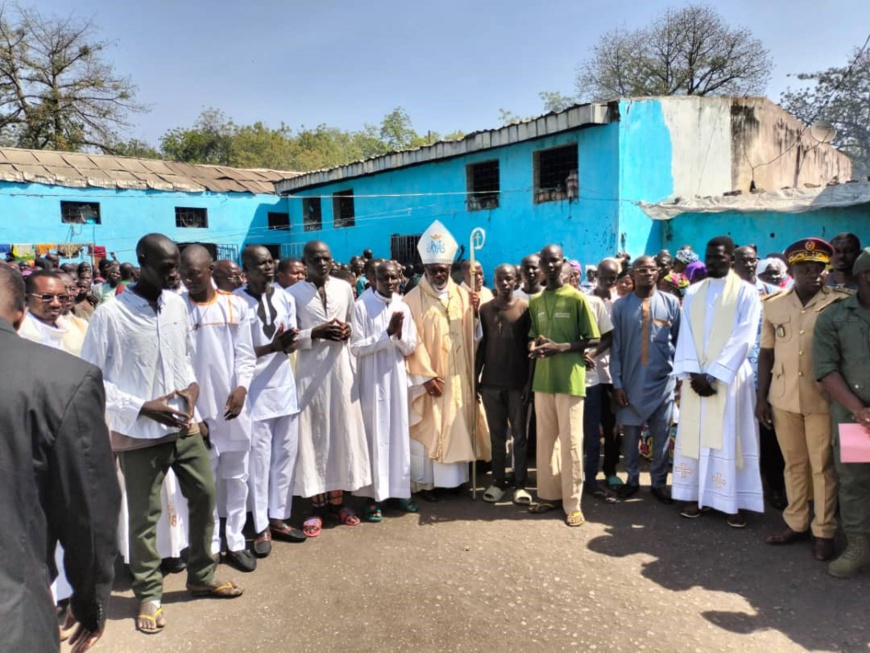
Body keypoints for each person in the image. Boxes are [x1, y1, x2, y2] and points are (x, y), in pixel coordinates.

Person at [81, 233, 242, 635]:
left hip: (184, 426)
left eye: (178, 265)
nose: (177, 274)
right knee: (145, 516)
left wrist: (191, 391)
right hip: (139, 431)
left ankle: (202, 575)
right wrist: (141, 406)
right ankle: (149, 594)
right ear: (141, 261)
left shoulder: (175, 305)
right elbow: (92, 377)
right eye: (168, 266)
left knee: (205, 495)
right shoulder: (111, 315)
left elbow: (184, 359)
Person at [0, 264, 120, 653]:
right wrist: (91, 599)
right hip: (13, 612)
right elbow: (88, 506)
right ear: (21, 313)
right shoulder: (64, 380)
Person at [757, 238, 847, 561]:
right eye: (805, 269)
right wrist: (761, 398)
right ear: (792, 270)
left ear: (827, 270)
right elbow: (766, 354)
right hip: (783, 398)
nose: (813, 274)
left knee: (822, 467)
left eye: (819, 268)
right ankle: (796, 521)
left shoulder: (839, 303)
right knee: (793, 463)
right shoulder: (774, 304)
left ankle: (824, 530)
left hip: (823, 400)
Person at [671, 236, 764, 527]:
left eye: (718, 257)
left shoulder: (747, 293)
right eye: (708, 257)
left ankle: (732, 501)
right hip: (696, 379)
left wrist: (714, 374)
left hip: (730, 379)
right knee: (696, 436)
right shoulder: (695, 291)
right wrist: (693, 373)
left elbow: (745, 337)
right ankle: (694, 495)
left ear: (732, 259)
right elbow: (684, 334)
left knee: (729, 437)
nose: (711, 262)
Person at [180, 246, 259, 572]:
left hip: (235, 409)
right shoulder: (178, 310)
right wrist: (195, 416)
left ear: (210, 268)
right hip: (201, 413)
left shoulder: (235, 304)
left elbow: (245, 353)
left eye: (194, 273)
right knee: (206, 483)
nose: (187, 279)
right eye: (184, 274)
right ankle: (210, 545)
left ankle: (236, 540)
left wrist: (242, 387)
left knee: (237, 477)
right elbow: (180, 364)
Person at [288, 241, 371, 533]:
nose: (322, 263)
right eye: (315, 259)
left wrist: (347, 331)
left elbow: (352, 324)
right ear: (305, 262)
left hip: (340, 371)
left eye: (326, 258)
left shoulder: (344, 288)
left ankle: (339, 502)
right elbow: (288, 337)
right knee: (314, 437)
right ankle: (316, 506)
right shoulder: (291, 295)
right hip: (310, 375)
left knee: (341, 434)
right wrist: (315, 332)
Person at [405, 221, 490, 499]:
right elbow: (411, 342)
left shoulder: (465, 295)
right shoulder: (411, 300)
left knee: (459, 423)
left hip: (460, 375)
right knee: (433, 426)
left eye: (443, 269)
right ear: (425, 270)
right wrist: (425, 377)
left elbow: (475, 335)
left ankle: (457, 480)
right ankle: (429, 484)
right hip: (433, 378)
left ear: (449, 269)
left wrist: (478, 314)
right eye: (433, 269)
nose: (439, 273)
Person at [235, 245, 305, 555]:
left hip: (284, 389)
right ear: (245, 269)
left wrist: (288, 344)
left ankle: (279, 516)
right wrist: (273, 347)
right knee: (259, 462)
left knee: (284, 457)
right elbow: (235, 353)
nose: (267, 267)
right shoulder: (236, 302)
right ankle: (260, 524)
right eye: (259, 263)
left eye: (270, 262)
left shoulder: (285, 297)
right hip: (254, 393)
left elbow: (290, 340)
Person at [527, 244, 600, 526]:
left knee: (571, 443)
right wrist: (534, 345)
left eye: (555, 260)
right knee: (545, 443)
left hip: (570, 380)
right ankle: (548, 496)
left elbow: (593, 339)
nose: (550, 265)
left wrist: (562, 348)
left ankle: (573, 504)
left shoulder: (576, 298)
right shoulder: (536, 301)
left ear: (564, 262)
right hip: (543, 379)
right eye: (545, 261)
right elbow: (534, 334)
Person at [813, 246, 870, 578]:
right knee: (855, 482)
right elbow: (825, 369)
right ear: (865, 277)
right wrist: (860, 411)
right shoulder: (834, 316)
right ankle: (858, 547)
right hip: (854, 418)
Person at [350, 260, 419, 519]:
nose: (390, 282)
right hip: (371, 381)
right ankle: (371, 497)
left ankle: (399, 492)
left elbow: (411, 346)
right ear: (373, 279)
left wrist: (398, 336)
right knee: (373, 435)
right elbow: (355, 347)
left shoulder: (403, 306)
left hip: (396, 378)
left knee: (397, 434)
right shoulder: (361, 306)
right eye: (384, 278)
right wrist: (386, 334)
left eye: (393, 277)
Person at [610, 256, 681, 503]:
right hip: (629, 384)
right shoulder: (620, 306)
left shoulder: (671, 303)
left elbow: (679, 342)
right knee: (629, 437)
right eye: (642, 270)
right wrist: (617, 383)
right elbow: (616, 348)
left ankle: (659, 483)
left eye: (652, 270)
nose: (647, 274)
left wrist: (679, 377)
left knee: (661, 436)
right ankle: (631, 480)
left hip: (663, 383)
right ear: (633, 274)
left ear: (658, 272)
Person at [734, 244, 786, 510]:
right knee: (736, 434)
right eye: (743, 260)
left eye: (753, 260)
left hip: (768, 375)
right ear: (733, 263)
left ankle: (775, 486)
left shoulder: (775, 295)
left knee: (769, 435)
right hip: (733, 377)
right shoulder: (723, 295)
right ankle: (738, 488)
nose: (749, 265)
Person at [476, 264, 532, 505]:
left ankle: (520, 483)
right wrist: (475, 377)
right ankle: (498, 481)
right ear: (495, 281)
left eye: (509, 279)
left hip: (517, 383)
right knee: (497, 436)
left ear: (516, 280)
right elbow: (483, 345)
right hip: (490, 383)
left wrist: (529, 382)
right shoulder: (485, 309)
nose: (504, 283)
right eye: (500, 279)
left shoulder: (525, 308)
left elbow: (530, 349)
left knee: (519, 435)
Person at [589, 257, 621, 487]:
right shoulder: (585, 299)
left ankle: (610, 470)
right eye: (605, 276)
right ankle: (586, 471)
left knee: (612, 427)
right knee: (588, 426)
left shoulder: (621, 302)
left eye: (613, 278)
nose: (609, 281)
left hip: (613, 374)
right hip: (589, 374)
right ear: (596, 275)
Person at [19, 270, 85, 356]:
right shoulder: (18, 332)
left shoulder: (73, 328)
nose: (56, 304)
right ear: (27, 299)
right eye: (47, 297)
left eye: (62, 297)